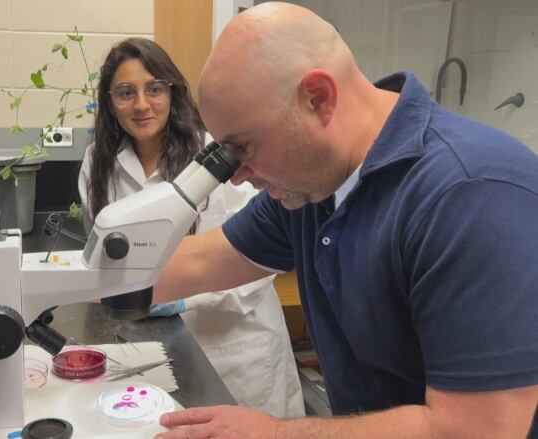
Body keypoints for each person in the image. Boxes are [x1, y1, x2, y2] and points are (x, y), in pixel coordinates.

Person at [151, 3, 538, 439]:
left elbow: (477, 430)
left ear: (318, 98)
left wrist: (276, 434)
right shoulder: (311, 185)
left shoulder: (470, 196)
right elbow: (201, 260)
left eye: (243, 147)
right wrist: (79, 280)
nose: (237, 174)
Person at [78, 37, 305, 419]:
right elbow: (104, 252)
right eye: (125, 92)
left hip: (236, 343)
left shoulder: (216, 159)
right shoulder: (97, 163)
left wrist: (185, 298)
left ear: (173, 91)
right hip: (151, 341)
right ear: (108, 100)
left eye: (154, 89)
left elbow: (258, 263)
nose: (141, 105)